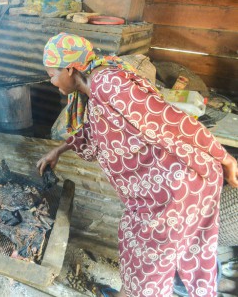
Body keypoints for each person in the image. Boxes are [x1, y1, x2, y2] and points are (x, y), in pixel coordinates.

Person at [36, 33, 238, 297]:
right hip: (153, 190)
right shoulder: (95, 89)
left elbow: (172, 120)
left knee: (148, 262)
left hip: (174, 188)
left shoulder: (109, 83)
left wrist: (225, 157)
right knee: (142, 252)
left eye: (51, 74)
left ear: (70, 68)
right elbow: (93, 131)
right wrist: (59, 150)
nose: (51, 81)